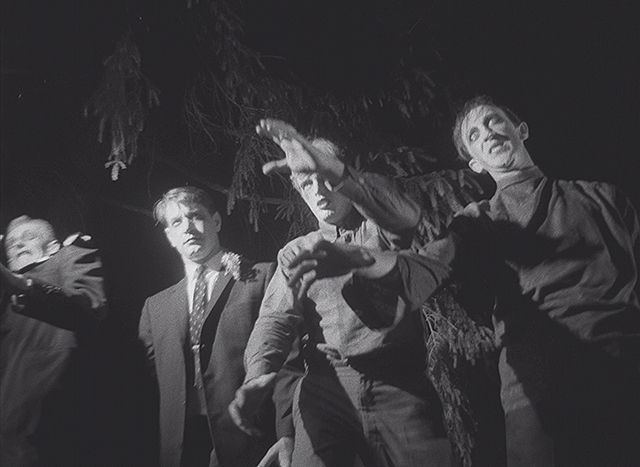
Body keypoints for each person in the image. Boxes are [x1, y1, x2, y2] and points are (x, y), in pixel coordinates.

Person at [284, 95, 640, 467]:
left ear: (521, 130)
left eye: (494, 121)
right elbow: (423, 271)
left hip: (623, 371)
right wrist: (361, 258)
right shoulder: (479, 222)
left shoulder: (604, 198)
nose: (487, 132)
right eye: (474, 134)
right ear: (475, 163)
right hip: (537, 388)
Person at [229, 120, 452, 467]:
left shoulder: (378, 227)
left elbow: (404, 217)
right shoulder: (297, 251)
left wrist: (338, 172)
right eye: (307, 183)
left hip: (399, 386)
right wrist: (257, 374)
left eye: (324, 178)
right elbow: (275, 318)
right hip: (327, 389)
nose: (318, 191)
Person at [138, 186, 300, 467]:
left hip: (249, 440)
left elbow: (287, 361)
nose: (188, 227)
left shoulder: (261, 278)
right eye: (177, 222)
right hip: (181, 450)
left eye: (196, 216)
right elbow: (150, 386)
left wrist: (287, 432)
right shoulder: (156, 307)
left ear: (216, 221)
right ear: (169, 236)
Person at [0, 215, 107, 467]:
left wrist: (23, 285)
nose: (17, 244)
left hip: (46, 422)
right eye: (11, 243)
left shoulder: (69, 254)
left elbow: (88, 306)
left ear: (53, 247)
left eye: (28, 237)